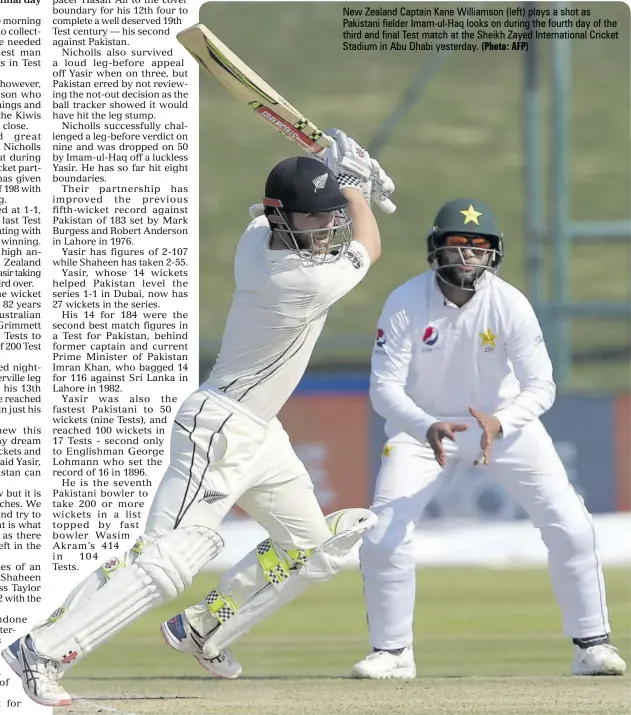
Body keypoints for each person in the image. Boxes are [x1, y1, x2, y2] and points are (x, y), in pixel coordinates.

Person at [3, 129, 395, 707]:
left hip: (261, 434)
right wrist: (358, 190)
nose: (328, 231)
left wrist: (337, 178)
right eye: (317, 222)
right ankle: (40, 651)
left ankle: (205, 627)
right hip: (220, 428)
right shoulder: (300, 281)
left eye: (330, 217)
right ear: (284, 220)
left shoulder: (256, 235)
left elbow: (321, 214)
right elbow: (371, 245)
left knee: (310, 550)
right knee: (166, 560)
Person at [350, 198, 627, 680]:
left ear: (494, 254)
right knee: (381, 537)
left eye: (479, 248)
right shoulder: (405, 302)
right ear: (436, 250)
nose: (467, 258)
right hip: (423, 433)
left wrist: (502, 421)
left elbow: (542, 385)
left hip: (503, 427)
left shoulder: (510, 303)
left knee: (572, 525)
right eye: (458, 246)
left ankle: (592, 644)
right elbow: (384, 388)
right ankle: (393, 652)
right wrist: (424, 425)